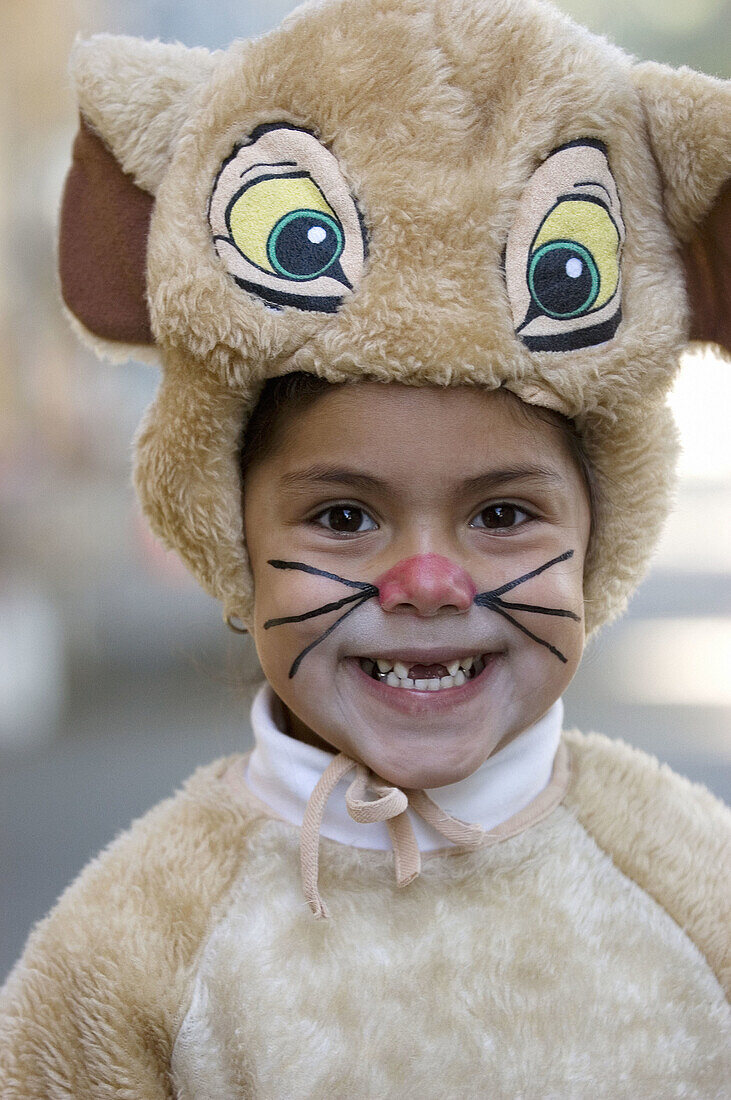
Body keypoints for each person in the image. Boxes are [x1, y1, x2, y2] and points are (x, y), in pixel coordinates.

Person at [1, 0, 729, 1094]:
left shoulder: (695, 884)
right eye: (343, 516)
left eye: (500, 514)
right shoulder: (126, 948)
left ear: (599, 532)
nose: (427, 582)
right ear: (226, 531)